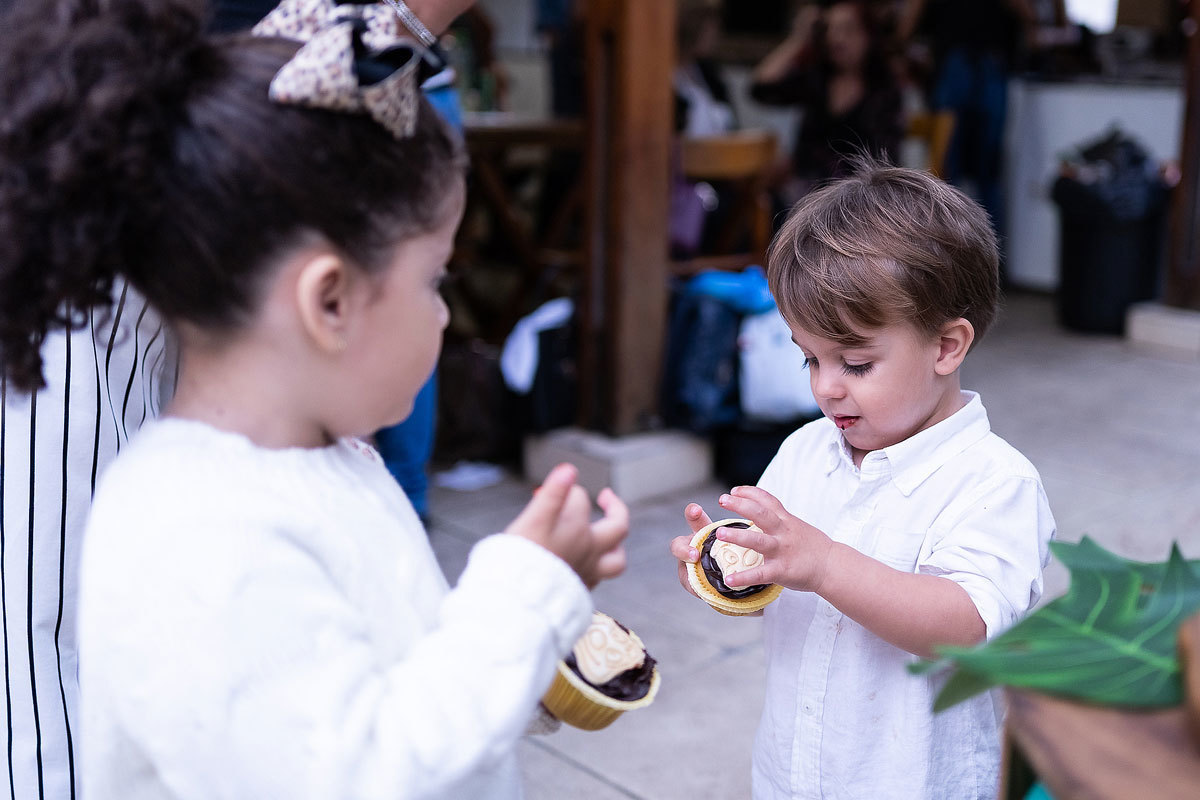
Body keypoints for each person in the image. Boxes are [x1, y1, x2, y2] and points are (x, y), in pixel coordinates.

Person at [0, 1, 629, 799]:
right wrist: (520, 601)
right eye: (434, 281)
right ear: (328, 302)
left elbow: (382, 664)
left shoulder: (328, 461)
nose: (443, 315)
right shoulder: (203, 541)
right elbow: (359, 773)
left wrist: (519, 654)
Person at [670, 158, 1055, 798]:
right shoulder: (806, 451)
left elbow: (964, 625)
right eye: (810, 360)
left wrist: (824, 564)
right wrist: (731, 571)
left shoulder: (994, 483)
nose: (826, 387)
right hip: (794, 776)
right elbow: (782, 575)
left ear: (946, 346)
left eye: (854, 362)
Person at [898, 0, 1036, 244]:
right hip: (961, 61)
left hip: (984, 62)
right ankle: (949, 249)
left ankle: (978, 253)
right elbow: (907, 28)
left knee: (980, 170)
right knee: (949, 165)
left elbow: (1029, 17)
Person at [750, 1, 904, 208]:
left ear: (868, 35)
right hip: (803, 193)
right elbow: (761, 88)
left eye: (848, 30)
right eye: (830, 30)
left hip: (860, 197)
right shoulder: (816, 80)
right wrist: (798, 39)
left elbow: (886, 161)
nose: (836, 38)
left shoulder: (883, 90)